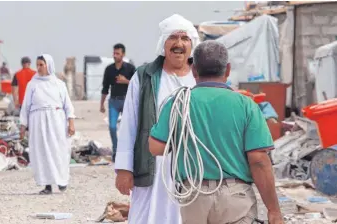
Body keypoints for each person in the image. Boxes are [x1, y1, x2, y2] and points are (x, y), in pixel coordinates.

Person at [148, 40, 284, 224]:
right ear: (227, 70)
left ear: (194, 70)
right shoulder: (246, 105)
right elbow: (259, 161)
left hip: (193, 196)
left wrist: (182, 132)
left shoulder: (178, 103)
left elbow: (155, 147)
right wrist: (274, 210)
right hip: (235, 197)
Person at [114, 14, 200, 224]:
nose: (179, 44)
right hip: (151, 163)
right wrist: (124, 168)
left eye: (185, 38)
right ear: (163, 43)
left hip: (191, 165)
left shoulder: (201, 76)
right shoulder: (145, 76)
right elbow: (129, 124)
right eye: (173, 38)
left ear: (192, 44)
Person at [19, 54, 76, 195]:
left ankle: (62, 180)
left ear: (48, 65)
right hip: (37, 122)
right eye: (37, 65)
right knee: (41, 152)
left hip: (56, 121)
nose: (38, 68)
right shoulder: (32, 84)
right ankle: (47, 185)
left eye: (41, 65)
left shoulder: (59, 84)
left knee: (58, 150)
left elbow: (68, 106)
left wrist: (71, 123)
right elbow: (25, 106)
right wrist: (23, 126)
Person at [100, 43, 136, 162]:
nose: (115, 56)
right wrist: (101, 104)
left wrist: (126, 81)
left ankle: (128, 151)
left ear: (123, 54)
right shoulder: (109, 69)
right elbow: (105, 88)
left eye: (118, 53)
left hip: (127, 101)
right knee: (112, 127)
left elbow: (137, 85)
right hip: (113, 102)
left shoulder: (130, 68)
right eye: (114, 53)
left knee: (128, 128)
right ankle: (116, 150)